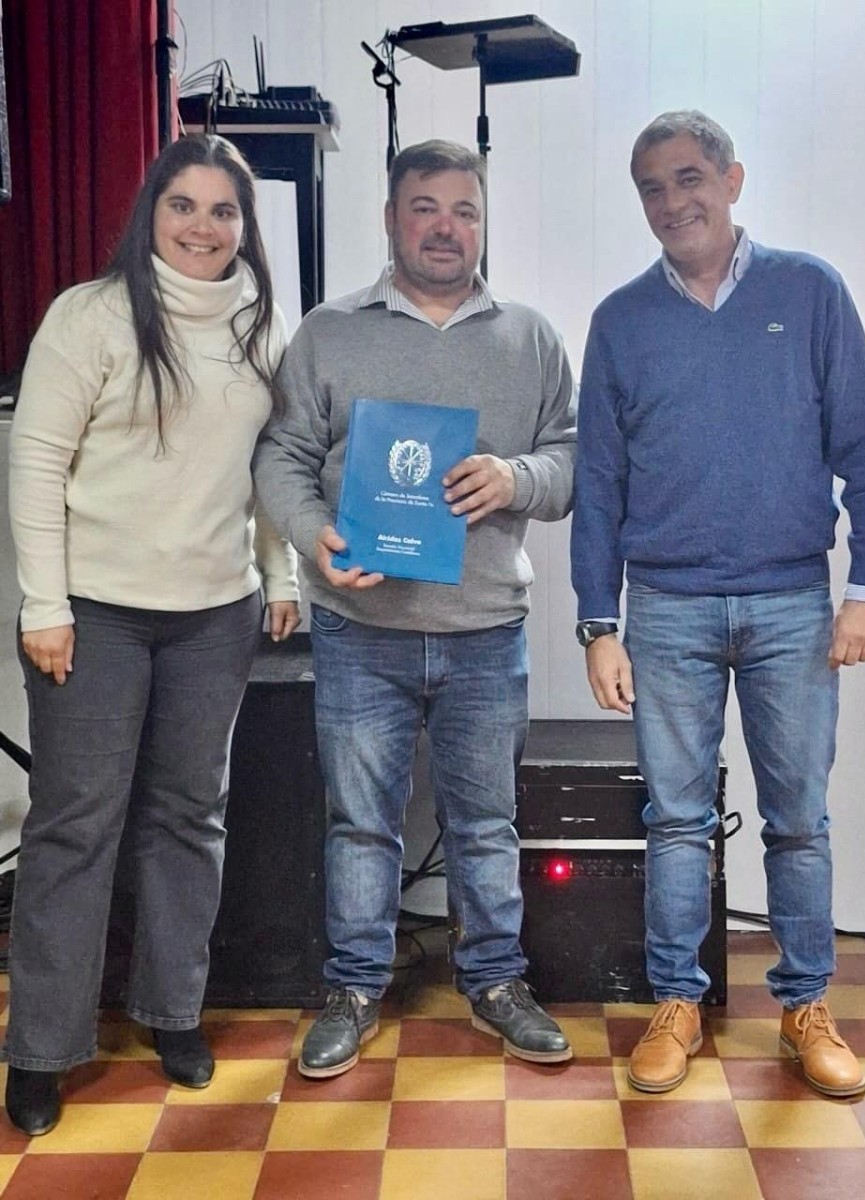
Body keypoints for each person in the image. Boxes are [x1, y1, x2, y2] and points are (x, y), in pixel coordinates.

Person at [571, 110, 865, 1099]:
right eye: (652, 189)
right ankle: (678, 1002)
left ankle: (805, 1006)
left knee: (798, 821)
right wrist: (599, 621)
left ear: (732, 178)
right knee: (674, 820)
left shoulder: (811, 293)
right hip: (664, 608)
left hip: (794, 603)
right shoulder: (621, 321)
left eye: (688, 179)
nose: (673, 203)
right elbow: (599, 481)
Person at [253, 139, 576, 1078]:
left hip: (485, 632)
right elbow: (280, 455)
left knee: (487, 821)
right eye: (425, 207)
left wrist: (515, 477)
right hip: (362, 632)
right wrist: (317, 536)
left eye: (464, 210)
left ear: (483, 222)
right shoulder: (329, 331)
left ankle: (497, 983)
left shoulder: (529, 337)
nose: (446, 227)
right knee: (361, 823)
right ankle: (354, 986)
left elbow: (573, 463)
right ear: (391, 219)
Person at [3, 134, 300, 1135]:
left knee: (187, 820)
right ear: (151, 212)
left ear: (244, 225)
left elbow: (268, 463)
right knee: (76, 825)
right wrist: (44, 604)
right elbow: (36, 466)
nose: (205, 227)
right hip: (93, 612)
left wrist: (280, 570)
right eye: (185, 206)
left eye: (225, 210)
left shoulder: (262, 322)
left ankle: (172, 1013)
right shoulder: (86, 317)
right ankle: (43, 1048)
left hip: (213, 615)